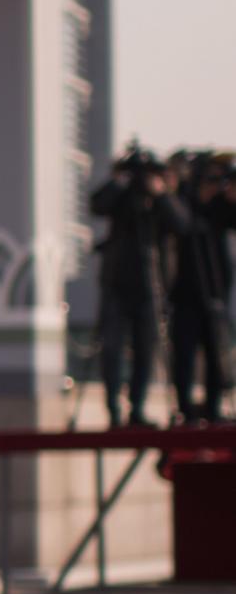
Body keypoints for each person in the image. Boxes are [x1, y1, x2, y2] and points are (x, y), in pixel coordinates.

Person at [89, 146, 183, 427]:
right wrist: (119, 181)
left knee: (145, 348)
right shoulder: (119, 194)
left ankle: (137, 408)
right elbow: (97, 205)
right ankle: (113, 410)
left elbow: (181, 223)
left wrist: (160, 192)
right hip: (116, 282)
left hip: (150, 284)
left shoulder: (157, 198)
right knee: (112, 348)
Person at [168, 151, 233, 424]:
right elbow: (177, 223)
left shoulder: (221, 207)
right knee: (184, 353)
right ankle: (186, 406)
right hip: (185, 295)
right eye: (209, 179)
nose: (213, 184)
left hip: (216, 294)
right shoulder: (183, 202)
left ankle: (215, 407)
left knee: (216, 353)